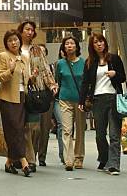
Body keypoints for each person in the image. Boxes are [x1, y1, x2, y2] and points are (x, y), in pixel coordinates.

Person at [79, 33, 126, 175]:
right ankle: (104, 158)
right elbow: (85, 83)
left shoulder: (114, 59)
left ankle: (114, 165)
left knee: (114, 133)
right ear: (92, 46)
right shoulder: (89, 62)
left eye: (101, 41)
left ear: (105, 43)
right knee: (99, 134)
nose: (99, 44)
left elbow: (123, 77)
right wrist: (81, 101)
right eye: (95, 42)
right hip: (97, 100)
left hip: (113, 98)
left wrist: (114, 74)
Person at [17, 21, 58, 172]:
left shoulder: (36, 50)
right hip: (17, 91)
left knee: (34, 127)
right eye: (27, 29)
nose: (29, 32)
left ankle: (29, 157)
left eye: (32, 30)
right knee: (19, 126)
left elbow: (45, 68)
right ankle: (24, 159)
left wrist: (52, 84)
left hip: (34, 92)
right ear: (21, 31)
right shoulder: (14, 47)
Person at [0, 30, 31, 177]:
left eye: (15, 39)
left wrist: (32, 77)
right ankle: (24, 162)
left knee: (17, 129)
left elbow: (26, 78)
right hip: (7, 97)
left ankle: (9, 162)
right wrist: (10, 70)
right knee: (15, 129)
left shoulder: (24, 58)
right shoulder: (2, 56)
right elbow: (0, 76)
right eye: (10, 40)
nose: (13, 42)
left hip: (22, 96)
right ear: (6, 43)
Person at [55, 36, 86, 171]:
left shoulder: (84, 63)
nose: (69, 46)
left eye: (72, 43)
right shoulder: (60, 64)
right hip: (65, 99)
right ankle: (69, 160)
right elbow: (58, 81)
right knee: (67, 130)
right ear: (63, 47)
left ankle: (79, 157)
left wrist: (84, 99)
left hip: (80, 101)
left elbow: (86, 83)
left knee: (79, 130)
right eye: (66, 44)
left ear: (77, 47)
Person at [37, 44, 54, 167]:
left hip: (47, 101)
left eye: (43, 52)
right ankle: (31, 155)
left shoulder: (51, 68)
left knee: (44, 130)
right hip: (33, 100)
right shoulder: (30, 66)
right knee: (33, 129)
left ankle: (42, 156)